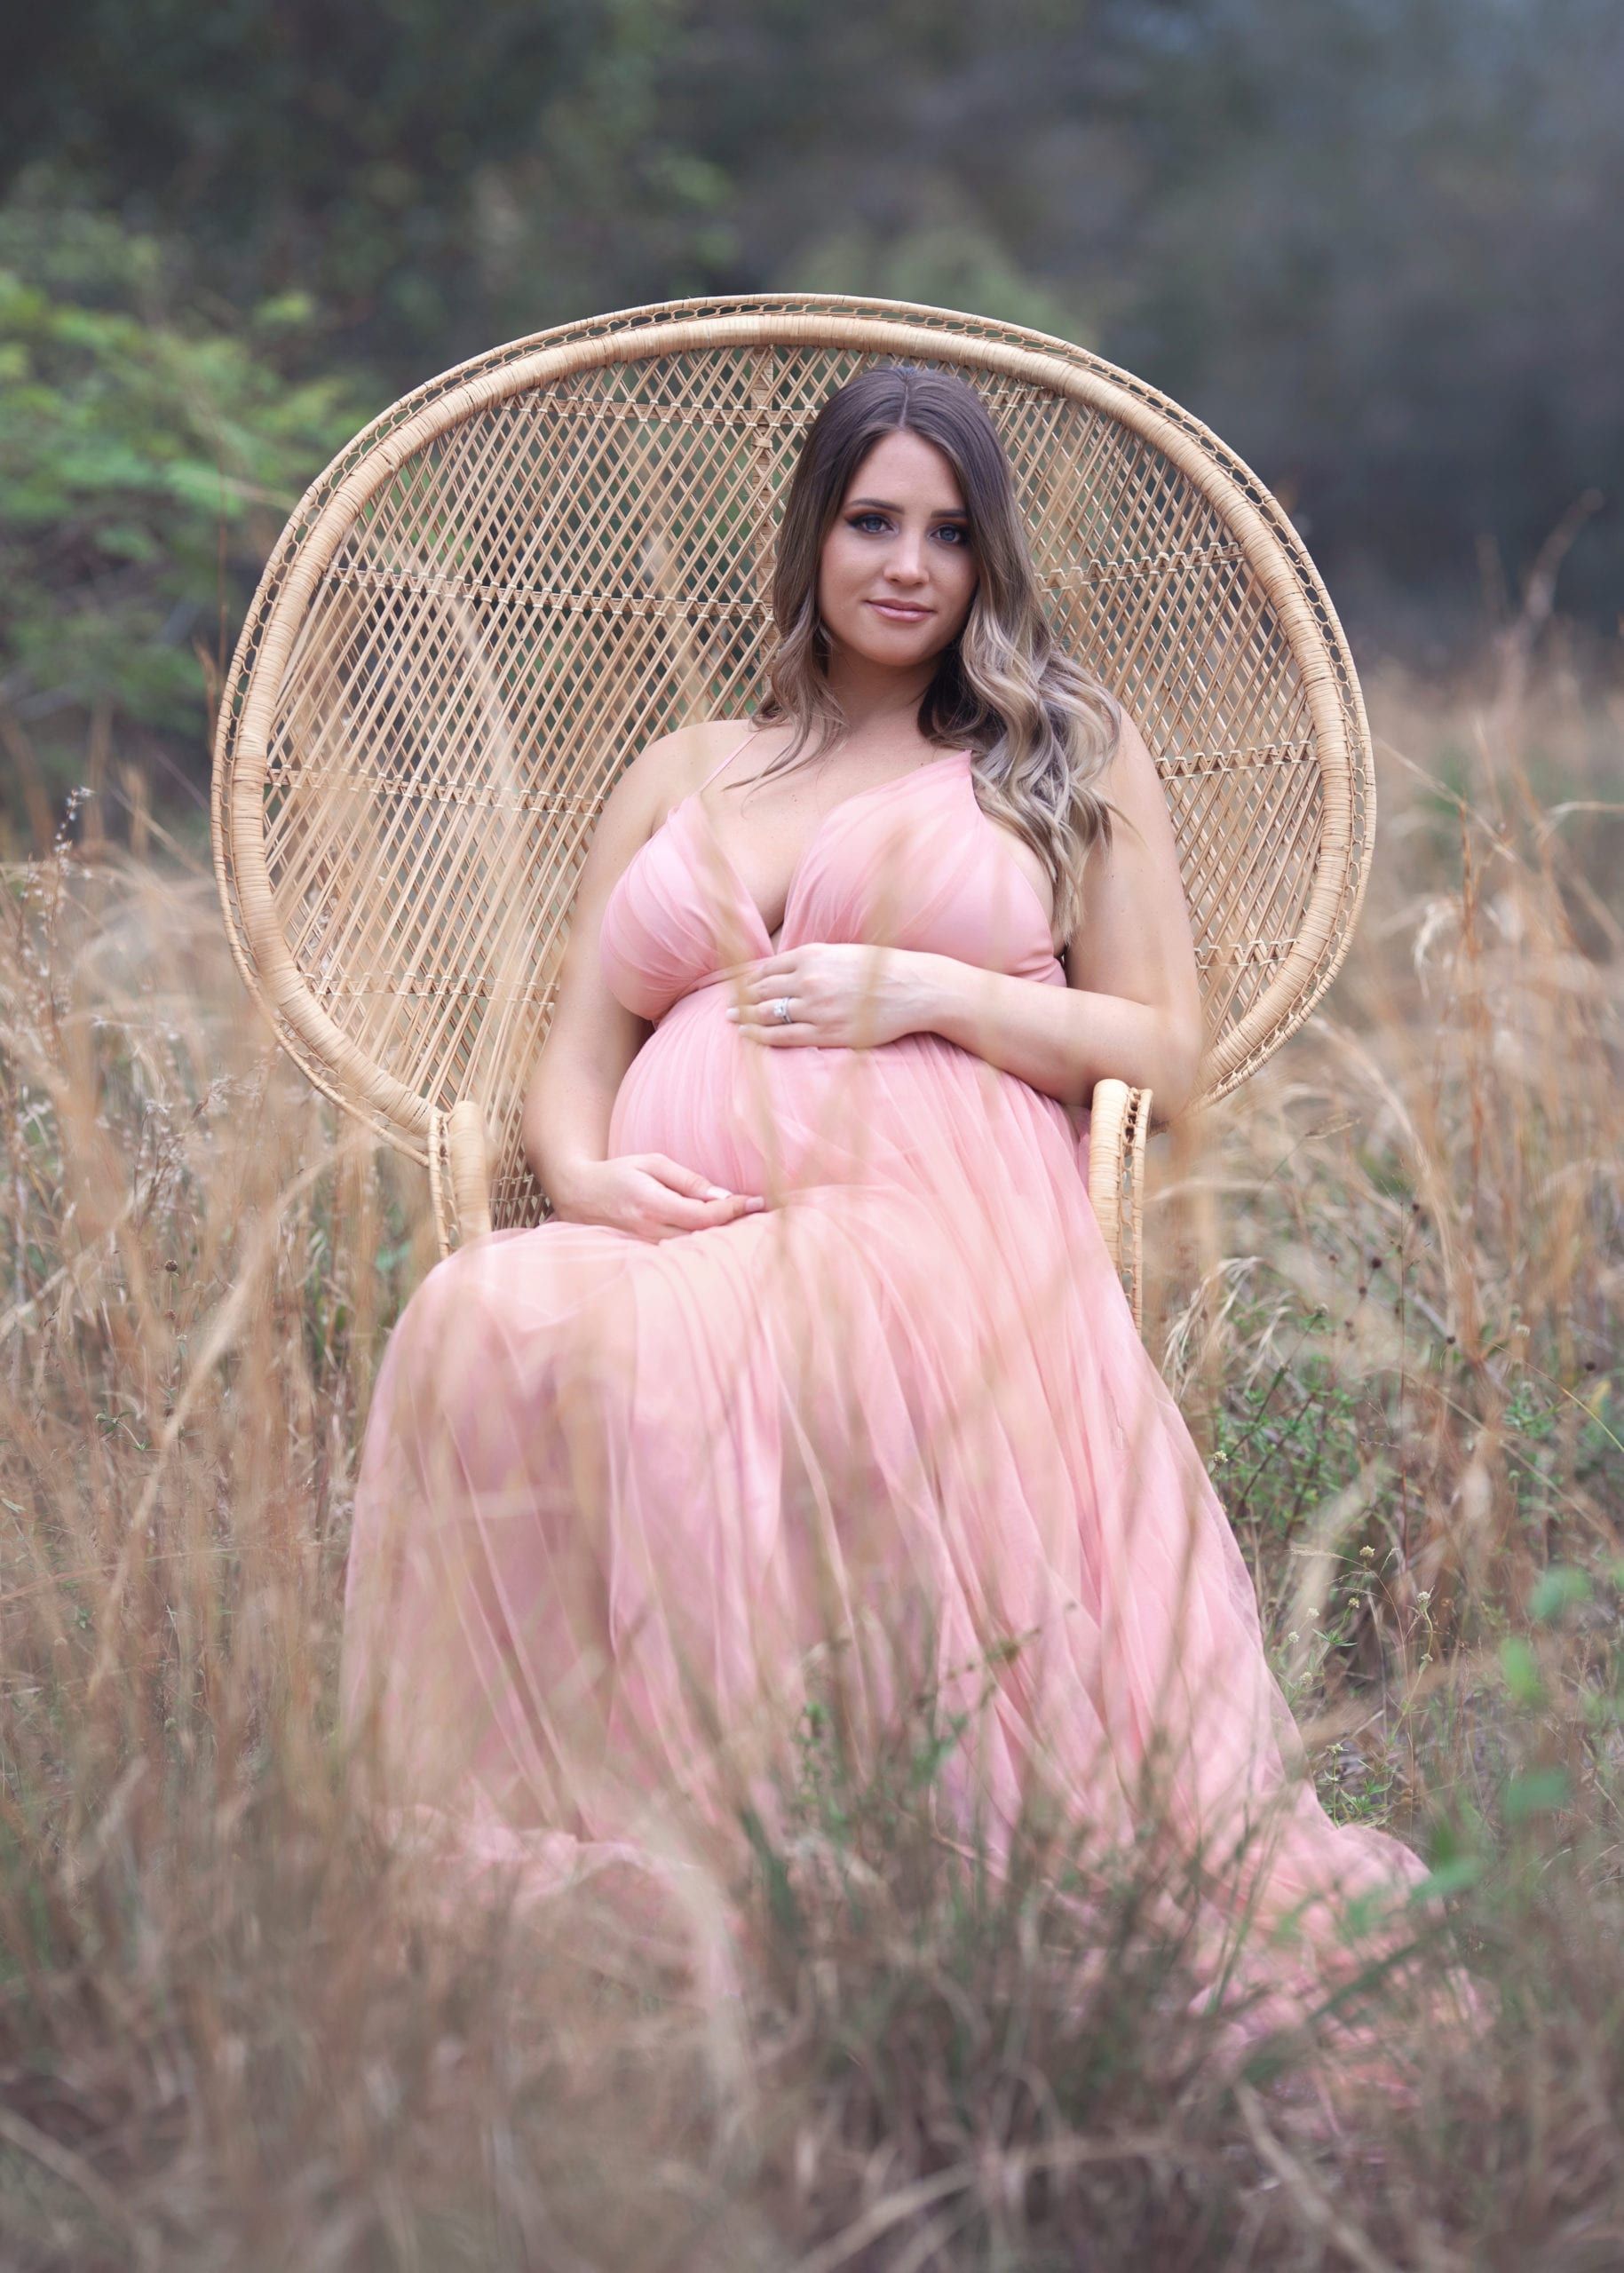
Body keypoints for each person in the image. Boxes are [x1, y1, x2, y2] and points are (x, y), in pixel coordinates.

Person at [339, 363, 1438, 2034]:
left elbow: (1167, 1054)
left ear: (989, 558)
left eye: (948, 531)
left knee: (687, 1355)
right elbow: (575, 1048)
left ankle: (807, 1868)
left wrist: (926, 991)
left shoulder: (1055, 754)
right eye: (871, 522)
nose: (908, 564)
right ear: (812, 535)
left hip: (932, 1235)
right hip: (674, 1222)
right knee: (478, 1310)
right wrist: (584, 1174)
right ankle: (628, 1850)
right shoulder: (686, 765)